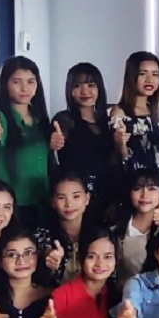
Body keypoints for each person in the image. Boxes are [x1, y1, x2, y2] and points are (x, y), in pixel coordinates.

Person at [0, 56, 55, 228]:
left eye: (31, 82)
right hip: (12, 204)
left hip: (42, 200)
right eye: (17, 82)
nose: (25, 88)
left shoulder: (40, 119)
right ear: (5, 84)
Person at [52, 62, 117, 222]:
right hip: (75, 199)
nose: (85, 91)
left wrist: (115, 199)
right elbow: (58, 135)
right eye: (77, 85)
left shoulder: (108, 122)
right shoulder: (65, 119)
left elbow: (115, 163)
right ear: (70, 90)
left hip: (107, 196)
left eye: (90, 85)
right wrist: (56, 141)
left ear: (99, 88)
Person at [111, 51, 159, 200]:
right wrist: (121, 143)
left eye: (155, 74)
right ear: (131, 76)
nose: (150, 80)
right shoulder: (119, 112)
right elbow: (120, 157)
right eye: (142, 74)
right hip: (134, 186)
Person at [33, 172, 95, 288]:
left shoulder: (99, 235)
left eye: (76, 196)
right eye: (61, 198)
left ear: (87, 198)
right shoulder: (42, 235)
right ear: (52, 202)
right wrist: (50, 261)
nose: (69, 204)